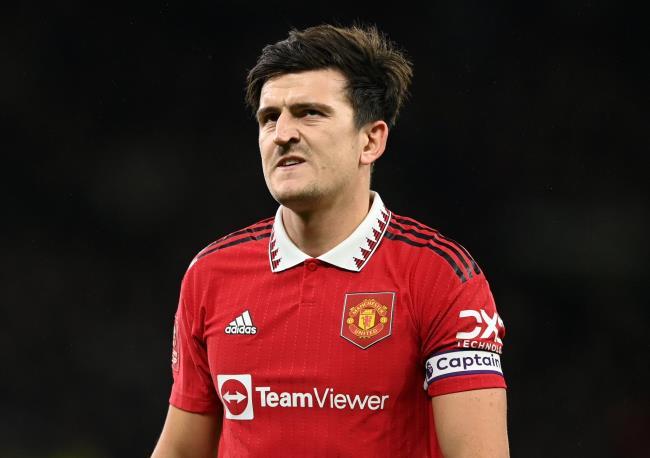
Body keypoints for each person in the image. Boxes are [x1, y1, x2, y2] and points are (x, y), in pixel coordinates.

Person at [152, 23, 509, 457]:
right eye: (269, 118)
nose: (282, 133)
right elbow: (182, 450)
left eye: (309, 113)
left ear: (370, 140)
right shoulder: (210, 274)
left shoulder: (441, 277)